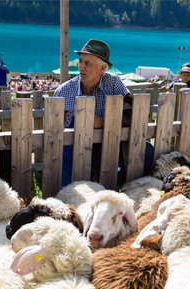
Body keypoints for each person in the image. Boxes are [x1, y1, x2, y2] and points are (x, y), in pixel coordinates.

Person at [54, 39, 154, 186]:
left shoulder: (113, 82)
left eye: (87, 63)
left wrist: (103, 122)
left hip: (110, 145)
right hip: (73, 152)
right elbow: (55, 133)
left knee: (147, 150)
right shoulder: (63, 91)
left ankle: (131, 190)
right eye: (80, 61)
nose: (81, 66)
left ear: (103, 68)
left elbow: (132, 113)